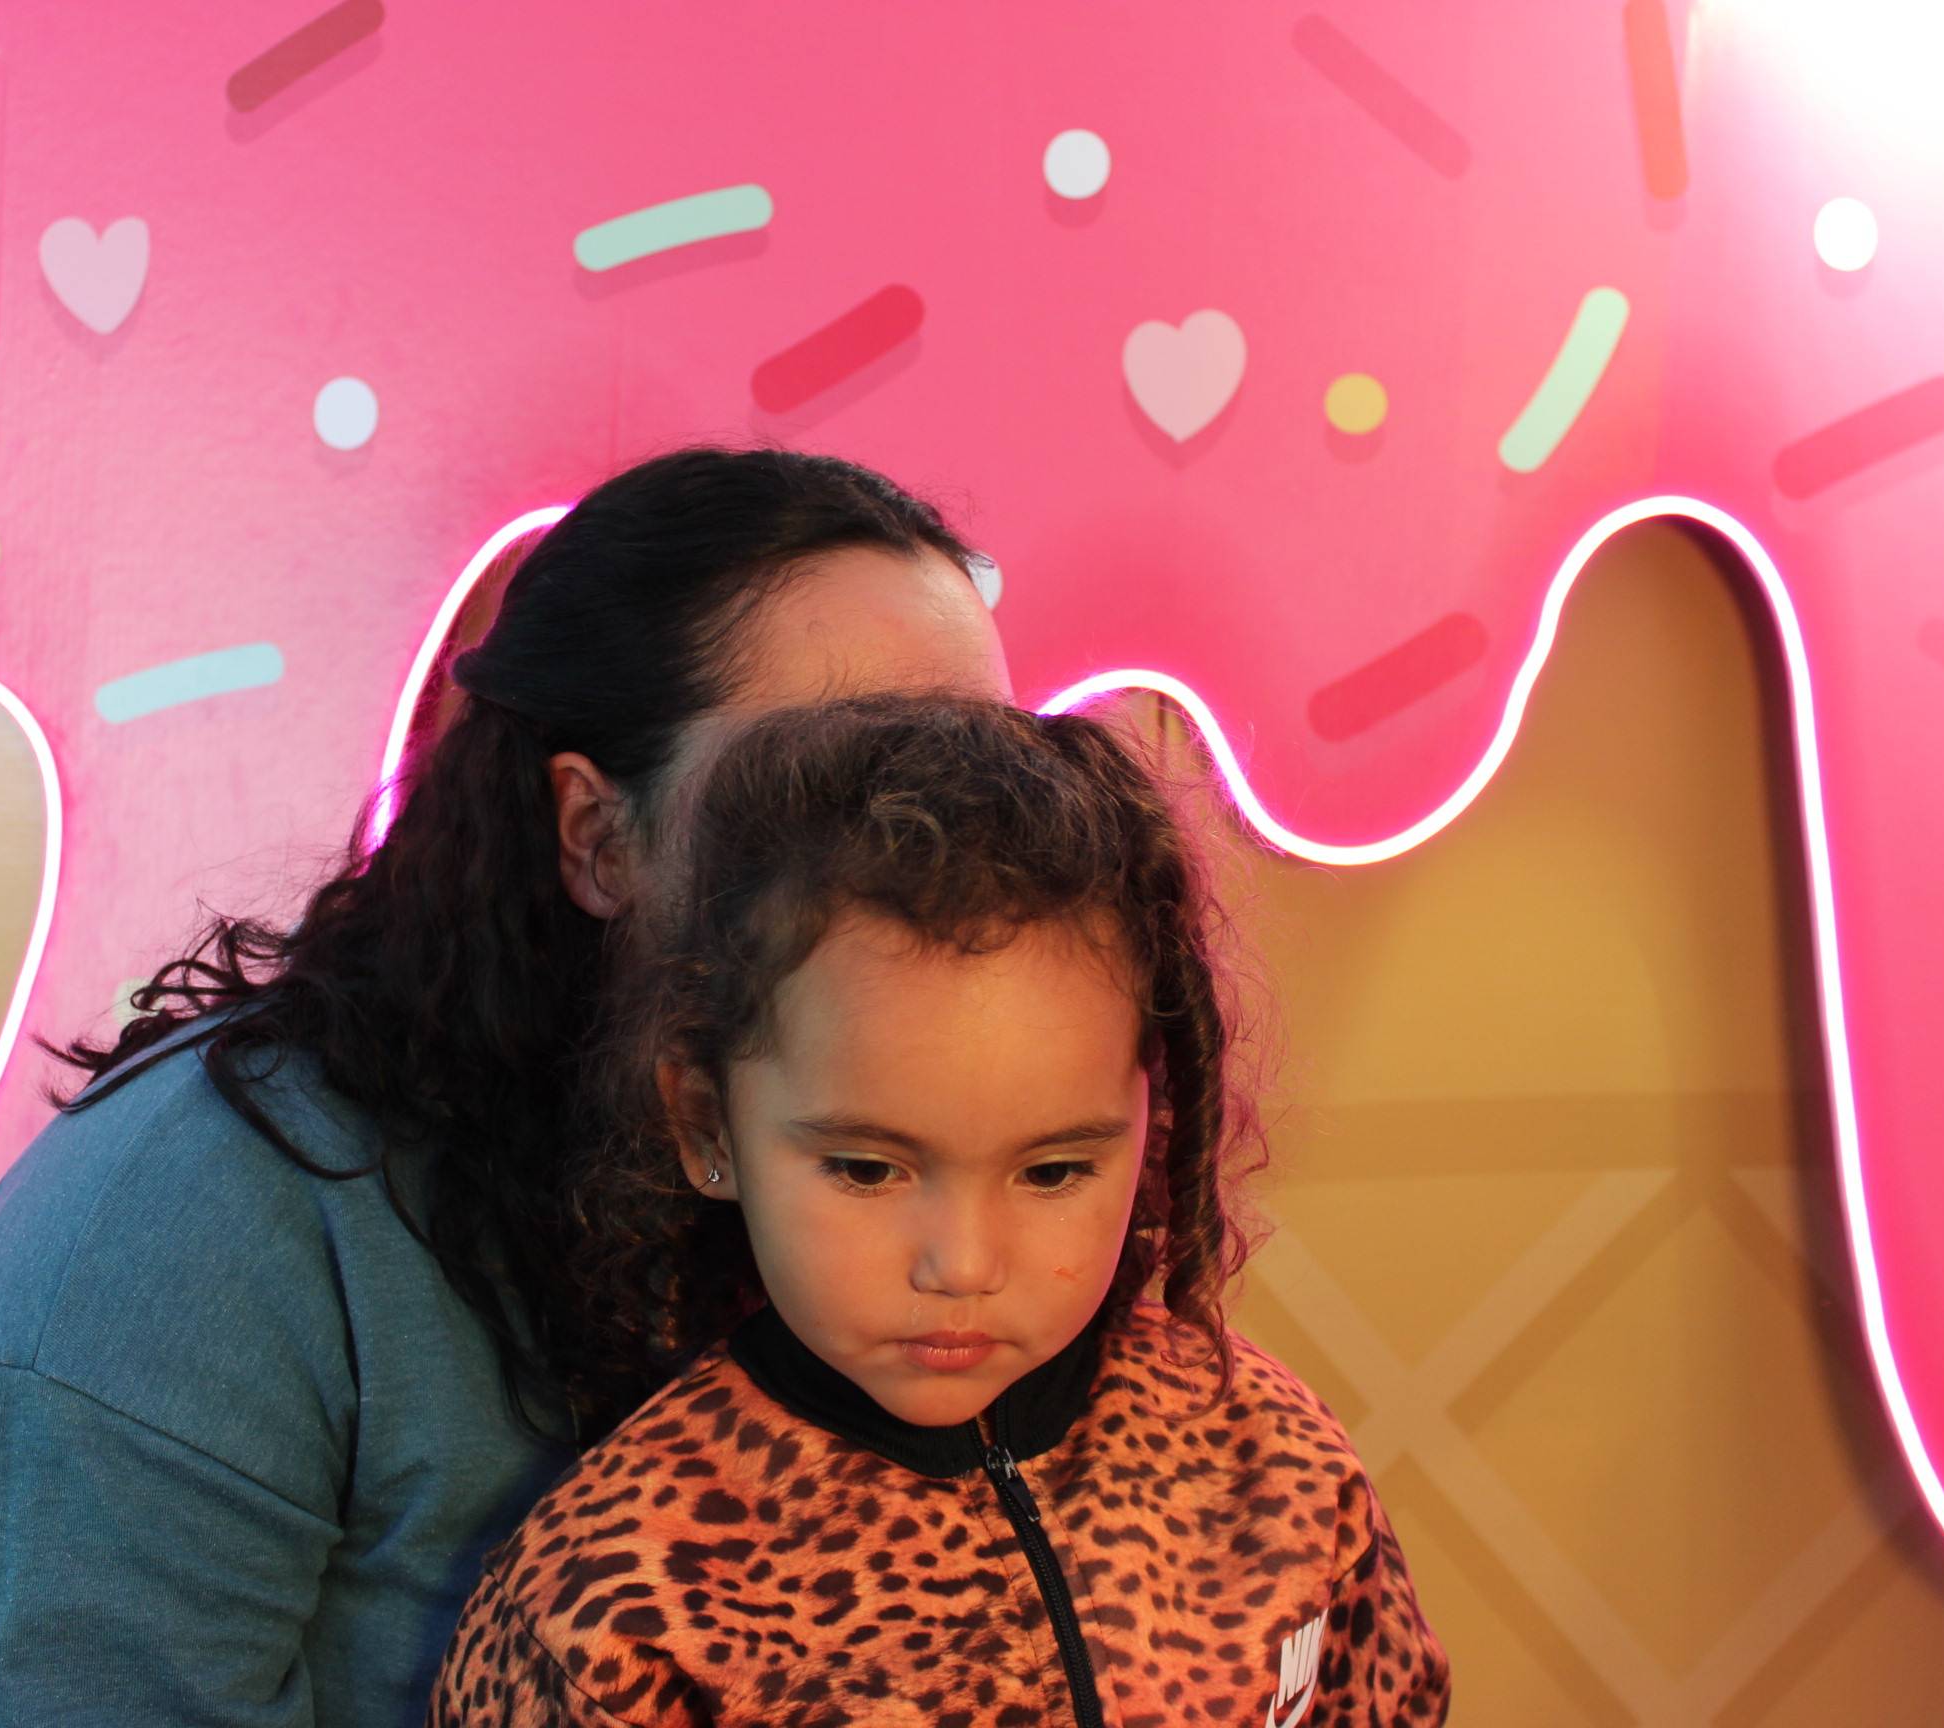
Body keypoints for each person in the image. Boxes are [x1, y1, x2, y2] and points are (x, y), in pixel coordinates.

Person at [0, 447, 1013, 1726]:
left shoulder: (966, 1194)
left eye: (996, 782)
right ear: (598, 834)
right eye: (849, 786)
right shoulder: (185, 1226)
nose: (954, 862)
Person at [431, 694, 1451, 1728]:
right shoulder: (616, 1611)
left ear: (1151, 1122)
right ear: (708, 1126)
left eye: (1053, 1172)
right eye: (867, 1170)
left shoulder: (1275, 1466)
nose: (962, 1265)